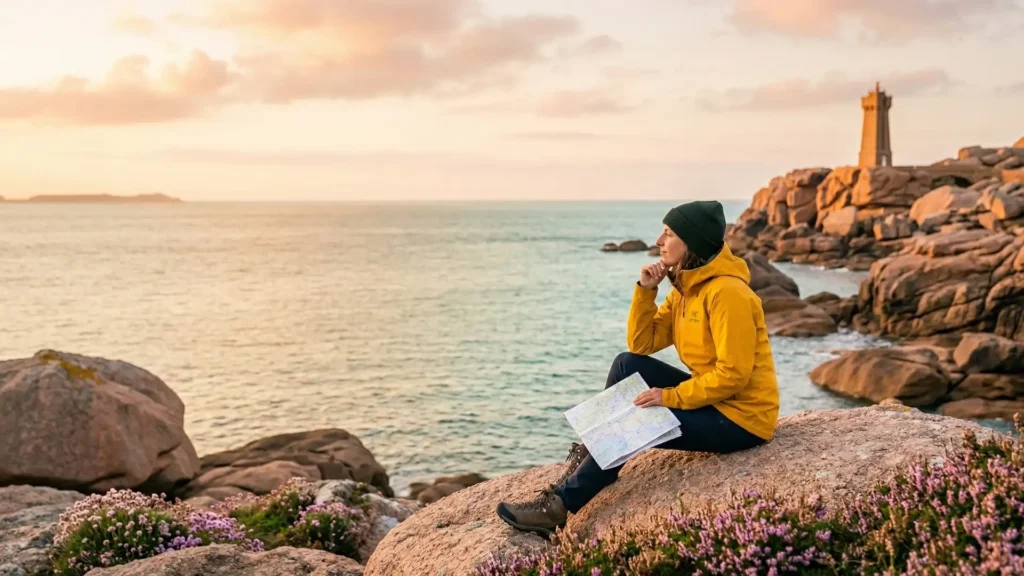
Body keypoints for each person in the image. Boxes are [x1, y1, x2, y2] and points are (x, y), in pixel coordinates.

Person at [496, 200, 780, 537]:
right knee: (625, 365)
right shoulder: (686, 290)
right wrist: (646, 292)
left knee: (641, 416)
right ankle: (593, 458)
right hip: (714, 399)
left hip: (742, 419)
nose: (659, 241)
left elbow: (734, 376)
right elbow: (642, 345)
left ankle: (560, 505)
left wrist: (669, 397)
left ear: (691, 241)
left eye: (669, 233)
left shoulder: (727, 294)